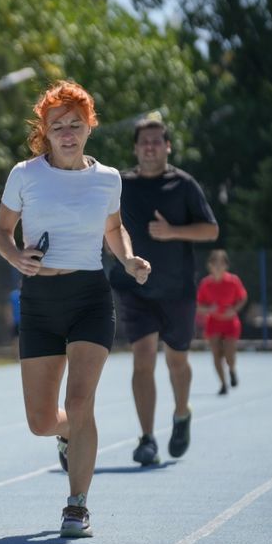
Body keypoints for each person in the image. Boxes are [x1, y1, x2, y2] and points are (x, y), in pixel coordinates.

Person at [0, 80, 151, 539]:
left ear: (89, 127)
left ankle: (76, 505)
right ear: (45, 130)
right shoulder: (25, 174)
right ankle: (66, 434)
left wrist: (127, 257)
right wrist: (15, 257)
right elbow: (2, 231)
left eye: (75, 124)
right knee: (42, 421)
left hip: (89, 298)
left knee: (80, 402)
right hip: (39, 300)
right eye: (57, 125)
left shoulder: (108, 178)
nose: (67, 132)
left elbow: (115, 227)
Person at [109, 117, 218, 466]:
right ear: (136, 148)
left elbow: (210, 231)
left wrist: (172, 232)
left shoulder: (183, 185)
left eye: (157, 141)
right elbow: (104, 222)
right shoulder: (119, 184)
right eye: (145, 142)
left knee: (177, 361)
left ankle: (182, 412)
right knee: (142, 359)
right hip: (133, 287)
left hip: (177, 289)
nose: (151, 146)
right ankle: (147, 439)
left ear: (168, 146)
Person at [197, 249, 247, 395]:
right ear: (209, 266)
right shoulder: (205, 284)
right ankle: (223, 384)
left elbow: (243, 298)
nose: (218, 267)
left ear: (226, 266)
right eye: (215, 264)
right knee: (216, 354)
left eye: (221, 264)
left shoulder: (233, 281)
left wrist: (234, 310)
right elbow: (199, 306)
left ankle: (231, 369)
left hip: (230, 322)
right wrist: (208, 309)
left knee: (229, 353)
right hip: (213, 322)